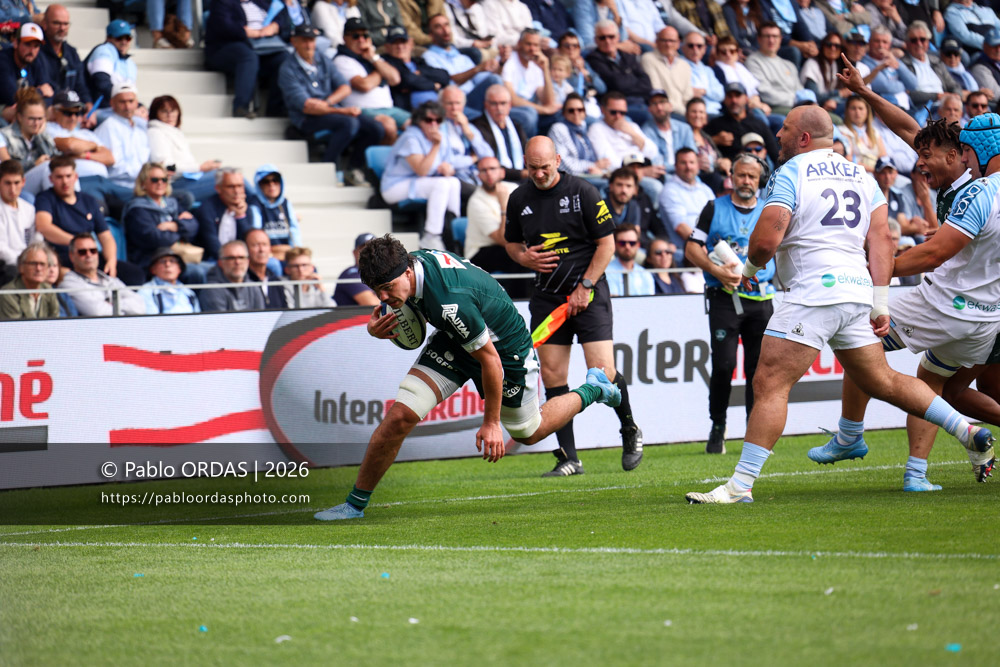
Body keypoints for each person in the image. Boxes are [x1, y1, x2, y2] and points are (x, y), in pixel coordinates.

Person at [684, 105, 995, 504]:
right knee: (882, 381)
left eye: (784, 128)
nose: (777, 134)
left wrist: (748, 267)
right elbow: (882, 241)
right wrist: (879, 302)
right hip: (857, 291)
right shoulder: (863, 177)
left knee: (770, 383)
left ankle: (739, 486)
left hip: (814, 292)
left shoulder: (790, 172)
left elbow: (764, 241)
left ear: (803, 138)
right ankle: (968, 433)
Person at [313, 233, 624, 520]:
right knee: (399, 418)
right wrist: (375, 329)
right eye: (376, 290)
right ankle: (354, 505)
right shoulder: (406, 264)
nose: (382, 297)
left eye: (388, 288)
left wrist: (490, 423)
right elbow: (419, 319)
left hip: (505, 352)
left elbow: (490, 361)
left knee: (528, 431)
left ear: (407, 272)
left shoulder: (450, 300)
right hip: (457, 340)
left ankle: (594, 388)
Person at [505, 136, 643, 475]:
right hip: (548, 298)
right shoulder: (518, 198)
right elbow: (510, 242)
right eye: (532, 168)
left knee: (603, 373)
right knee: (553, 376)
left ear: (558, 159)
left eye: (545, 167)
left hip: (589, 293)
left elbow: (606, 246)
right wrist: (524, 257)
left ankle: (629, 429)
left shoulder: (582, 191)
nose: (538, 174)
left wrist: (584, 286)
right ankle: (569, 456)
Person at [685, 153, 774, 454]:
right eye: (741, 175)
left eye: (752, 176)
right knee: (724, 365)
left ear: (759, 179)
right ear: (731, 176)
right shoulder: (713, 207)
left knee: (757, 369)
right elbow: (691, 248)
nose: (746, 181)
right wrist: (717, 271)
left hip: (761, 300)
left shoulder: (770, 210)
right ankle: (718, 425)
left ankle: (754, 430)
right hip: (724, 297)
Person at [278, 25, 383, 186]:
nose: (309, 45)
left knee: (376, 128)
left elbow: (345, 87)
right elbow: (308, 107)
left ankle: (353, 169)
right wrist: (342, 110)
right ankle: (328, 168)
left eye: (312, 40)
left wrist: (327, 103)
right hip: (306, 119)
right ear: (294, 42)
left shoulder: (322, 59)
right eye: (304, 41)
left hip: (331, 110)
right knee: (349, 122)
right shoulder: (287, 69)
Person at [380, 100, 462, 250]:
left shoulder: (439, 135)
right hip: (394, 186)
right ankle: (431, 236)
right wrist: (436, 146)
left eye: (437, 120)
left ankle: (451, 229)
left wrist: (447, 169)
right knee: (442, 184)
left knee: (453, 182)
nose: (433, 124)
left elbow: (450, 164)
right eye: (428, 120)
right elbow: (422, 170)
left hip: (418, 182)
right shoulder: (410, 137)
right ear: (419, 121)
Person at [33, 156, 125, 276]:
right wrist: (77, 243)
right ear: (51, 179)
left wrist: (111, 261)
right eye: (59, 177)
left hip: (89, 256)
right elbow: (43, 226)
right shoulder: (45, 198)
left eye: (68, 176)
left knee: (134, 275)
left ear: (76, 177)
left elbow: (106, 236)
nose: (65, 181)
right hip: (61, 257)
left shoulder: (89, 200)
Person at [203, 0, 291, 118]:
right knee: (248, 56)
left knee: (284, 58)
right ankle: (241, 107)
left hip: (263, 47)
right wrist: (246, 32)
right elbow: (223, 25)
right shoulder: (222, 2)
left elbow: (281, 17)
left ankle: (275, 110)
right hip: (227, 48)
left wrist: (275, 26)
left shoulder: (261, 2)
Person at [333, 17, 407, 144]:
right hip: (361, 110)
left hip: (389, 109)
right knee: (388, 126)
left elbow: (395, 78)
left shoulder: (373, 57)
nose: (361, 40)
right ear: (345, 38)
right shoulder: (341, 60)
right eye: (356, 36)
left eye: (365, 35)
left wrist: (373, 58)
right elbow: (364, 85)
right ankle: (387, 162)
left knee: (421, 124)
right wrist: (381, 72)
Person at [464, 155, 528, 298]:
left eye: (492, 169)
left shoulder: (514, 189)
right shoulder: (476, 201)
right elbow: (503, 239)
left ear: (502, 172)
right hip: (480, 253)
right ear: (478, 175)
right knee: (516, 254)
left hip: (511, 243)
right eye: (484, 170)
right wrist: (504, 205)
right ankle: (518, 302)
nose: (489, 174)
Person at [121, 162, 199, 273]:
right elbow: (155, 238)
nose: (160, 183)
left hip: (177, 257)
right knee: (197, 272)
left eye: (164, 179)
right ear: (143, 183)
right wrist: (182, 233)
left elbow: (194, 226)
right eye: (154, 180)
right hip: (152, 261)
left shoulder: (172, 203)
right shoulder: (137, 209)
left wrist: (175, 225)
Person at [37, 90, 116, 198]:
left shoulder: (86, 133)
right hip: (81, 181)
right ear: (55, 111)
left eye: (77, 113)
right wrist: (93, 146)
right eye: (68, 113)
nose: (73, 117)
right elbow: (70, 145)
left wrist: (83, 155)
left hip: (105, 180)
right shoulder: (49, 129)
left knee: (137, 200)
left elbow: (110, 158)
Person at [420, 13, 502, 114]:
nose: (445, 31)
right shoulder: (428, 57)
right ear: (430, 34)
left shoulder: (461, 56)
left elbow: (484, 80)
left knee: (497, 84)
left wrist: (501, 63)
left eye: (446, 25)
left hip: (476, 98)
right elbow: (448, 81)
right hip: (455, 104)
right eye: (438, 27)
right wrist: (477, 69)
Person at [147, 95, 222, 203]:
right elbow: (165, 167)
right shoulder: (155, 133)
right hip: (174, 184)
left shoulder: (175, 132)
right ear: (155, 114)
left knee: (227, 177)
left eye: (173, 111)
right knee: (228, 178)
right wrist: (200, 167)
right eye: (164, 111)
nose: (170, 115)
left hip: (189, 179)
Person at [585, 20, 653, 126]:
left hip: (641, 102)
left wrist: (625, 81)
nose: (607, 41)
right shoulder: (593, 59)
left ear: (618, 37)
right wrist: (631, 79)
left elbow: (646, 83)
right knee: (649, 118)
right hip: (618, 108)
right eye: (602, 38)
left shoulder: (627, 55)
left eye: (611, 37)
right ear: (596, 40)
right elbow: (617, 84)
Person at [61, 232, 146, 315]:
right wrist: (124, 307)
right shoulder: (69, 283)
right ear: (72, 256)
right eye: (82, 252)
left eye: (93, 251)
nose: (89, 255)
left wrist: (112, 305)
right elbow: (98, 312)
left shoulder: (109, 279)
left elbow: (140, 307)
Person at [194, 167, 263, 263]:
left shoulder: (247, 209)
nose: (236, 191)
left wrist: (241, 216)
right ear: (218, 188)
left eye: (240, 186)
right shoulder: (207, 210)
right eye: (231, 186)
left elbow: (250, 244)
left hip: (241, 261)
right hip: (214, 261)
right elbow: (213, 247)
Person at [500, 27, 557, 137]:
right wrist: (544, 110)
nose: (532, 49)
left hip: (530, 109)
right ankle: (528, 150)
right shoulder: (509, 60)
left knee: (558, 116)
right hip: (510, 109)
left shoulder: (536, 66)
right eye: (528, 44)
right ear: (519, 43)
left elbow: (549, 101)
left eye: (536, 45)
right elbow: (512, 100)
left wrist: (545, 70)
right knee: (529, 115)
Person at [38, 5, 93, 119]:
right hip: (48, 114)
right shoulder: (36, 52)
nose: (62, 28)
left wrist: (88, 106)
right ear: (44, 24)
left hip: (73, 114)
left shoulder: (72, 53)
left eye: (66, 24)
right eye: (57, 23)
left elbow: (81, 87)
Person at [94, 82, 150, 191]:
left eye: (131, 101)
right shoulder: (108, 126)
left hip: (143, 185)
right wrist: (145, 176)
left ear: (137, 103)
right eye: (122, 102)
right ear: (112, 103)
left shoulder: (140, 128)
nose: (127, 107)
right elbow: (116, 168)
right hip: (119, 186)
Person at [706, 82, 779, 164]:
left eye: (737, 96)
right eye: (730, 96)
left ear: (746, 98)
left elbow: (775, 155)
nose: (733, 100)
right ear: (724, 99)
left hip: (758, 172)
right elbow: (701, 148)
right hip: (728, 172)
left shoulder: (759, 124)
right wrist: (714, 140)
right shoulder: (715, 124)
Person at [382, 25, 451, 111]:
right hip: (412, 112)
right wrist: (433, 85)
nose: (400, 46)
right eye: (395, 43)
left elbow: (444, 76)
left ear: (411, 44)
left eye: (403, 42)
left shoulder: (418, 61)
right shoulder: (386, 62)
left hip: (439, 108)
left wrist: (420, 73)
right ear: (387, 47)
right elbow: (407, 80)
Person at [588, 91, 659, 173]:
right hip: (624, 176)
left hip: (645, 167)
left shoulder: (632, 126)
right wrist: (640, 172)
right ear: (603, 110)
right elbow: (609, 163)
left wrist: (632, 133)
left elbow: (653, 152)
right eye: (613, 112)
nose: (618, 116)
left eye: (622, 113)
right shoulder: (596, 129)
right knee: (655, 186)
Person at [659, 147, 714, 251]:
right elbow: (681, 228)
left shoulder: (705, 190)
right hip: (687, 251)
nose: (688, 167)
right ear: (675, 166)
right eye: (683, 163)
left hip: (710, 246)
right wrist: (702, 246)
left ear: (698, 165)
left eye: (692, 162)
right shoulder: (669, 191)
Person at [900, 21, 960, 115]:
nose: (919, 43)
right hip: (922, 110)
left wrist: (956, 95)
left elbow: (953, 85)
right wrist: (936, 96)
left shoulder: (936, 61)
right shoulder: (902, 64)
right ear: (907, 43)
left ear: (928, 42)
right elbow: (908, 94)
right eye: (914, 40)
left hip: (945, 106)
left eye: (922, 39)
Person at [470, 84, 527, 182]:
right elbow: (488, 163)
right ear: (486, 105)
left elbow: (526, 153)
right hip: (496, 181)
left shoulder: (516, 126)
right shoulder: (478, 127)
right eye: (494, 104)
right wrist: (523, 173)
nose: (499, 108)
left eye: (503, 103)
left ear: (510, 105)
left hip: (522, 179)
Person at [548, 93, 611, 180]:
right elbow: (562, 164)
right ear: (564, 113)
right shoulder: (558, 128)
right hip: (570, 179)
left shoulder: (585, 129)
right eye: (571, 110)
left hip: (591, 175)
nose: (576, 113)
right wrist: (593, 166)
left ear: (585, 112)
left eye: (580, 110)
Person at [0, 88, 57, 184]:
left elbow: (55, 159)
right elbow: (8, 170)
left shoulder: (43, 135)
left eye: (40, 119)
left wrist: (39, 136)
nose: (36, 123)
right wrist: (34, 164)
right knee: (46, 168)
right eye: (32, 119)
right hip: (16, 186)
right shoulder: (5, 135)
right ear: (19, 117)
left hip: (40, 184)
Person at [746, 22, 803, 118]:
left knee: (829, 119)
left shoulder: (789, 65)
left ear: (780, 39)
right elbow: (765, 93)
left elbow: (800, 90)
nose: (771, 40)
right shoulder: (753, 61)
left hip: (796, 107)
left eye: (775, 36)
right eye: (767, 36)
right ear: (759, 39)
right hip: (775, 108)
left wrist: (807, 102)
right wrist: (796, 100)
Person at [0, 23, 54, 123]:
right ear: (16, 43)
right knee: (13, 112)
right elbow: (13, 96)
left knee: (50, 111)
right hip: (4, 108)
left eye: (36, 46)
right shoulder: (3, 60)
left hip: (25, 110)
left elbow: (49, 94)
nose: (32, 50)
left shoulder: (36, 61)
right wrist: (40, 92)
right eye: (27, 44)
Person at [84, 20, 139, 112]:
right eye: (119, 38)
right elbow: (102, 83)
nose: (124, 42)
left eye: (127, 38)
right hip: (101, 108)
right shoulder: (104, 50)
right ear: (108, 38)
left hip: (121, 108)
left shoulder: (130, 63)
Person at [198, 239, 266, 312]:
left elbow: (261, 320)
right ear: (220, 262)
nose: (237, 262)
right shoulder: (211, 290)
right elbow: (220, 322)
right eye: (231, 258)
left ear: (248, 261)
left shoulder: (254, 288)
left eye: (241, 257)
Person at [861, 26, 917, 114]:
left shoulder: (893, 59)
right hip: (886, 110)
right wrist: (904, 86)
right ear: (869, 42)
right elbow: (885, 87)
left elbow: (913, 84)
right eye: (877, 41)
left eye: (884, 42)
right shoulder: (865, 62)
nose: (881, 45)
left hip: (908, 108)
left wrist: (897, 65)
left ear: (890, 45)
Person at [0, 160, 38, 285]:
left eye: (16, 183)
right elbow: (2, 249)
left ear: (23, 182)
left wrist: (33, 261)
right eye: (7, 183)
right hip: (6, 266)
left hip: (27, 263)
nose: (12, 189)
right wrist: (25, 265)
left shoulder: (29, 209)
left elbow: (35, 240)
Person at [642, 89, 697, 176]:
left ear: (670, 106)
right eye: (654, 104)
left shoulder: (684, 128)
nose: (659, 107)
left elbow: (693, 155)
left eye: (662, 102)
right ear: (649, 109)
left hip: (687, 172)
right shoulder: (646, 131)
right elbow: (657, 164)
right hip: (664, 175)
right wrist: (679, 167)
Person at [252, 165, 300, 260]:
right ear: (259, 185)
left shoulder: (285, 203)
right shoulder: (254, 205)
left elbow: (294, 232)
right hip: (266, 256)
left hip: (287, 254)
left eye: (275, 180)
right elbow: (256, 234)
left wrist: (295, 252)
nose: (272, 185)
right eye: (266, 182)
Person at [641, 27, 693, 114]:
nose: (668, 44)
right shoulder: (648, 59)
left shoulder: (685, 65)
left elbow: (688, 96)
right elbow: (656, 91)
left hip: (683, 112)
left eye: (672, 41)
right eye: (664, 40)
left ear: (678, 44)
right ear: (657, 42)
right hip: (663, 111)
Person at [0, 242, 58, 320]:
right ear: (21, 267)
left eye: (42, 264)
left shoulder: (48, 290)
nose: (38, 268)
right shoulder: (8, 293)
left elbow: (55, 321)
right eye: (33, 263)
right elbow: (15, 328)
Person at [140, 246, 200, 314]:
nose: (167, 264)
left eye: (172, 261)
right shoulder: (146, 291)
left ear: (179, 269)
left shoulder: (189, 293)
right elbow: (151, 321)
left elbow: (198, 320)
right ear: (153, 269)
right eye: (162, 261)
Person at [686, 97, 729, 193]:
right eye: (694, 111)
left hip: (715, 175)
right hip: (698, 177)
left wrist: (724, 162)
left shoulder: (706, 137)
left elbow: (718, 157)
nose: (698, 115)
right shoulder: (684, 134)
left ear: (705, 116)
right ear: (687, 115)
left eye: (701, 112)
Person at [605, 166, 657, 243]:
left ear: (635, 190)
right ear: (611, 186)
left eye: (628, 186)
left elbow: (635, 235)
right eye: (619, 185)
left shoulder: (634, 206)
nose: (624, 190)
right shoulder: (600, 208)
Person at [681, 31, 725, 117]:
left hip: (716, 113)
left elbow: (721, 94)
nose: (695, 49)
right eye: (691, 46)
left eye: (699, 46)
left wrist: (704, 91)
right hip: (694, 115)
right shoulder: (678, 66)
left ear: (704, 49)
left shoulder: (707, 70)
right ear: (683, 48)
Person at [840, 94, 887, 172]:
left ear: (867, 111)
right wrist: (874, 171)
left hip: (878, 175)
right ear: (847, 111)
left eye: (861, 108)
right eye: (853, 108)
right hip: (856, 174)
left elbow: (883, 156)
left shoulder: (875, 132)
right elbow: (848, 160)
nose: (857, 112)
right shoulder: (842, 131)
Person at [245, 228, 288, 308]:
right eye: (256, 245)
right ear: (246, 249)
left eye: (264, 244)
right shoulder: (241, 281)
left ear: (270, 249)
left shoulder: (276, 281)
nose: (261, 250)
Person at [606, 223, 653, 297]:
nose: (627, 247)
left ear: (638, 245)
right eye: (622, 243)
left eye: (632, 243)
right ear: (615, 245)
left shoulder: (645, 274)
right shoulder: (606, 272)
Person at [333, 232, 380, 306]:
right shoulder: (351, 274)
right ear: (355, 253)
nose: (370, 253)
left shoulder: (380, 273)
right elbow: (371, 304)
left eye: (373, 249)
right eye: (364, 249)